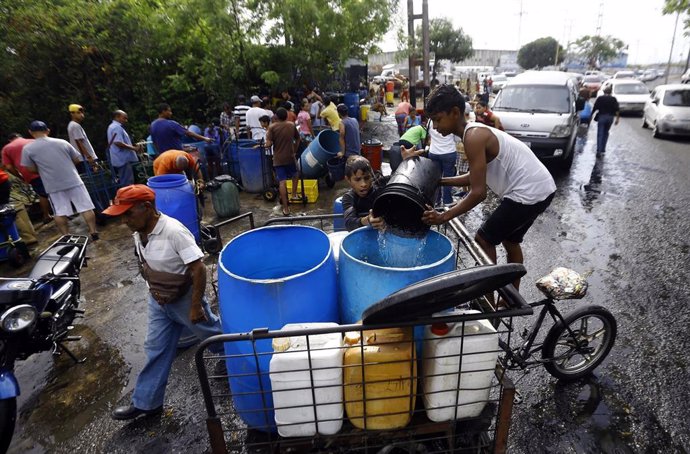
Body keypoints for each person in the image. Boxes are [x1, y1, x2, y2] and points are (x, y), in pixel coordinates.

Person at [417, 84, 556, 292]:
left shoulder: (473, 137)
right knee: (510, 241)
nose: (435, 127)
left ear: (455, 113)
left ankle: (488, 294)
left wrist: (443, 217)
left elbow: (478, 192)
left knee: (483, 239)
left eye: (437, 119)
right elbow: (475, 176)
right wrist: (441, 182)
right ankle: (510, 297)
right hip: (542, 188)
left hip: (528, 192)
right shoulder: (472, 132)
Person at [105, 185, 223, 421]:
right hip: (158, 299)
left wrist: (196, 305)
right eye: (122, 215)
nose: (124, 221)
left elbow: (198, 268)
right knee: (155, 349)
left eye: (129, 214)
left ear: (146, 208)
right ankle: (147, 403)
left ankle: (242, 361)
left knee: (213, 335)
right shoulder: (138, 232)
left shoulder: (173, 231)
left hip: (185, 299)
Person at [21, 121, 99, 239]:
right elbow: (77, 159)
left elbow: (30, 169)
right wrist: (67, 166)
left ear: (30, 132)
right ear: (47, 131)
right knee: (86, 207)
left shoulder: (28, 149)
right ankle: (93, 232)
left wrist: (44, 171)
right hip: (73, 180)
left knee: (59, 211)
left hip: (52, 185)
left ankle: (66, 236)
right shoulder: (62, 142)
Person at [1, 133, 52, 223]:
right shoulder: (32, 141)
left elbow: (8, 167)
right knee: (55, 190)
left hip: (29, 173)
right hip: (46, 168)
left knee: (42, 194)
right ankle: (63, 211)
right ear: (20, 136)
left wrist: (20, 176)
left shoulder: (6, 149)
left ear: (9, 140)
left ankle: (46, 215)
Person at [265, 107, 301, 216]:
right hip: (290, 157)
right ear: (286, 116)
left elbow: (269, 144)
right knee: (295, 175)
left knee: (282, 182)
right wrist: (294, 150)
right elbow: (298, 139)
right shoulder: (291, 125)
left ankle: (286, 208)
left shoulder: (272, 128)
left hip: (278, 159)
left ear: (276, 116)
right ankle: (294, 194)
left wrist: (264, 143)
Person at [341, 155, 387, 232]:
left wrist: (408, 159)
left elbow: (401, 176)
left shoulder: (380, 185)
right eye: (357, 179)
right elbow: (349, 224)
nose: (364, 184)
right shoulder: (349, 198)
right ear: (348, 180)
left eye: (367, 178)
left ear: (372, 176)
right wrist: (367, 220)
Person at [428, 125, 460, 206]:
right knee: (448, 177)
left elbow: (429, 134)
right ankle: (447, 201)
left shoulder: (431, 121)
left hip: (433, 152)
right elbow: (458, 139)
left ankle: (436, 200)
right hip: (448, 152)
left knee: (435, 177)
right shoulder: (449, 120)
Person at [107, 110, 140, 186]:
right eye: (124, 118)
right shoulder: (116, 127)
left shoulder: (112, 126)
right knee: (127, 182)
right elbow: (118, 142)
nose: (126, 120)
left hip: (120, 158)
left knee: (126, 180)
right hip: (122, 158)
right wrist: (133, 148)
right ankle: (129, 197)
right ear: (117, 117)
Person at [67, 104, 99, 173]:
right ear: (72, 114)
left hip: (82, 159)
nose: (81, 115)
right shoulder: (75, 126)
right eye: (78, 113)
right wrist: (89, 157)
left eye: (82, 112)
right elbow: (79, 142)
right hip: (85, 159)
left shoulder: (71, 125)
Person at [592, 85, 620, 154]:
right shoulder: (613, 99)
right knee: (606, 132)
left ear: (604, 92)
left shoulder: (600, 98)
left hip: (602, 116)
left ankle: (598, 149)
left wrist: (591, 115)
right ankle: (603, 149)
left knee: (600, 133)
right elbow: (617, 109)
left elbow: (595, 107)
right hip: (610, 117)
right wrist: (617, 119)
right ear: (610, 92)